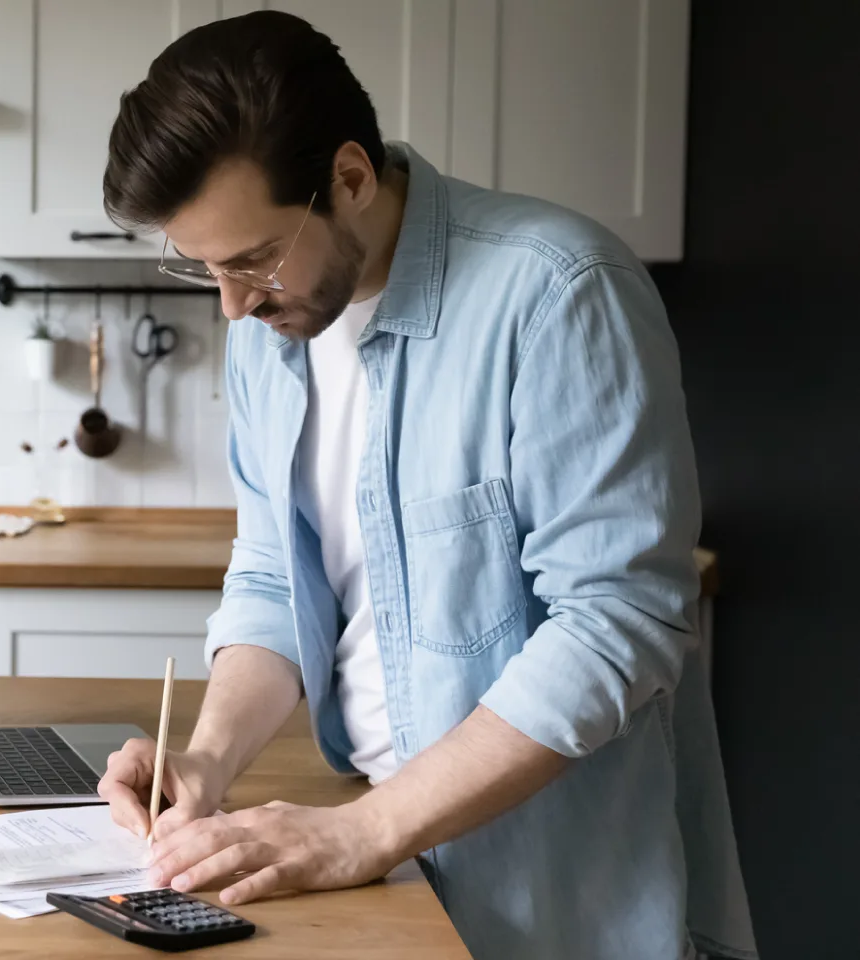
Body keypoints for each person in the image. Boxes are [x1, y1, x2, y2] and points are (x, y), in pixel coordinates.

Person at [93, 12, 755, 960]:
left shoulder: (559, 292)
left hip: (556, 899)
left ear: (350, 179)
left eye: (251, 259)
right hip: (381, 867)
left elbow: (616, 622)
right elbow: (278, 577)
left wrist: (364, 831)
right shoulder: (265, 336)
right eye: (203, 267)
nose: (232, 304)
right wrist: (207, 760)